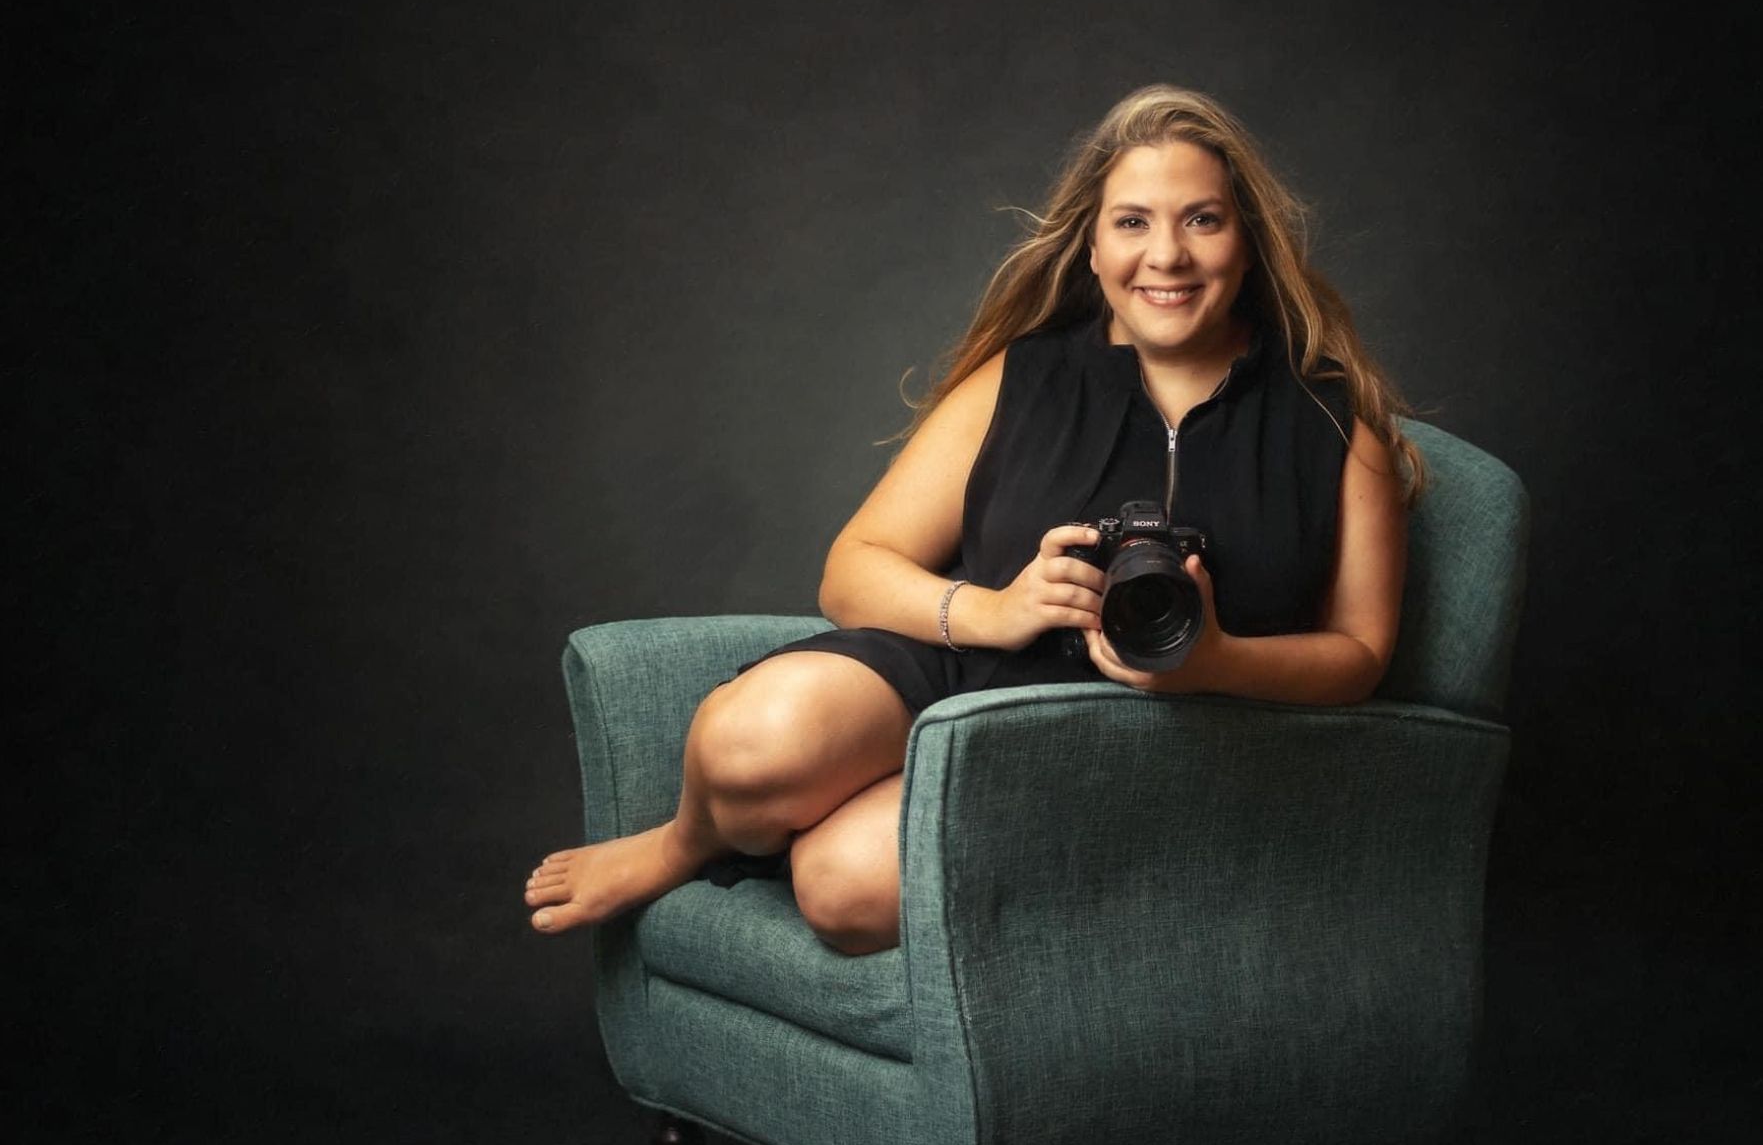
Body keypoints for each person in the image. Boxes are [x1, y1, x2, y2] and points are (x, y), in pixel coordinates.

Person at [523, 84, 1419, 955]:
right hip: (971, 673)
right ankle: (685, 844)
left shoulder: (1332, 420)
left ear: (1247, 242)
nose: (1166, 256)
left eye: (1202, 219)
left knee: (843, 887)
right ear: (1094, 247)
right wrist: (993, 610)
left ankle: (893, 823)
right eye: (1133, 221)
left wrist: (1213, 661)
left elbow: (1358, 657)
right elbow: (852, 569)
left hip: (1160, 747)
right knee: (749, 740)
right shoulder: (1020, 380)